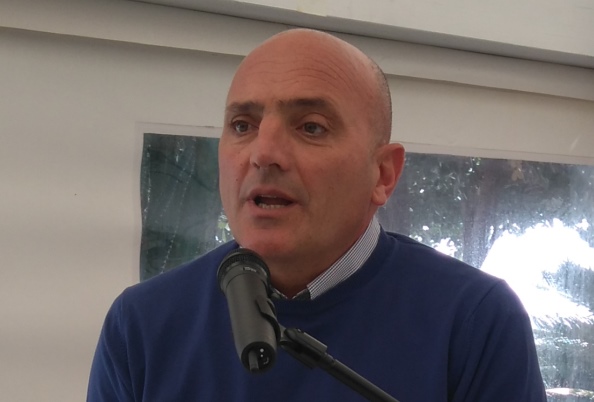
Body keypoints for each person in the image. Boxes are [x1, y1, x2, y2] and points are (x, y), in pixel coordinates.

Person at [87, 29, 547, 401]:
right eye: (243, 125)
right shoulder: (143, 323)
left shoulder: (474, 321)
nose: (263, 154)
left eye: (311, 127)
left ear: (383, 174)